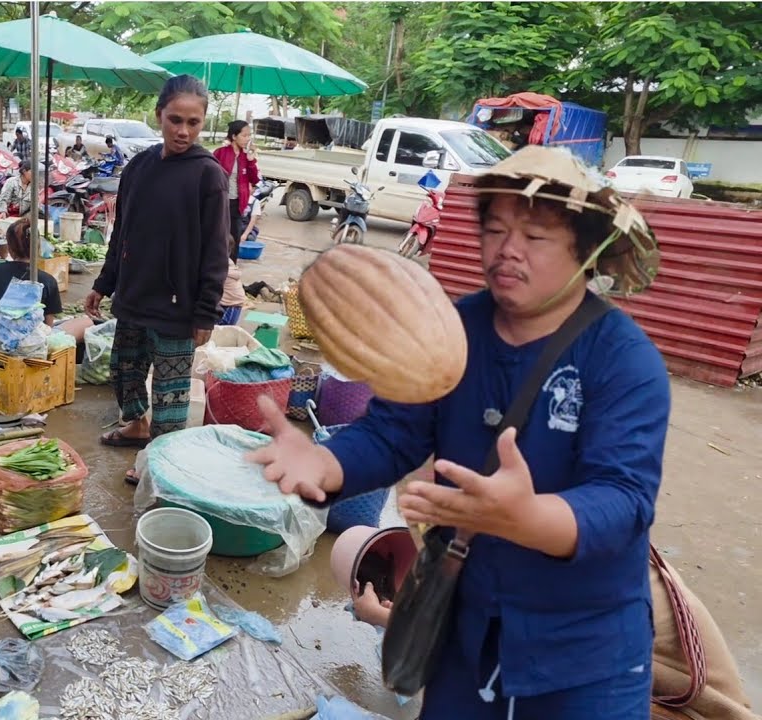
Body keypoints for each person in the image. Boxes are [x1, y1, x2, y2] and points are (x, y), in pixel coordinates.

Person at [247, 145, 667, 720]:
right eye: (494, 229)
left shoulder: (624, 359)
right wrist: (326, 464)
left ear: (588, 250)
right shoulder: (454, 327)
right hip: (465, 633)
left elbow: (623, 500)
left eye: (535, 236)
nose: (506, 250)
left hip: (584, 656)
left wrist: (527, 519)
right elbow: (394, 432)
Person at [85, 75, 230, 484]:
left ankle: (161, 465)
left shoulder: (208, 176)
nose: (183, 131)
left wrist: (206, 313)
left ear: (203, 123)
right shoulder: (139, 167)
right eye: (174, 120)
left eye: (193, 122)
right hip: (133, 297)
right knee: (124, 372)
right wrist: (104, 283)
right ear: (158, 116)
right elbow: (122, 234)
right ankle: (136, 425)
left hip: (178, 307)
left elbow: (217, 252)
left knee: (170, 395)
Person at [213, 120, 260, 262]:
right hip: (220, 202)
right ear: (234, 136)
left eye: (249, 136)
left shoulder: (246, 157)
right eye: (244, 135)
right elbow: (210, 175)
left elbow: (255, 179)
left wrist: (251, 160)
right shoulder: (220, 153)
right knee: (218, 236)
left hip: (238, 204)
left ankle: (231, 268)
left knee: (235, 238)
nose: (247, 139)